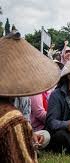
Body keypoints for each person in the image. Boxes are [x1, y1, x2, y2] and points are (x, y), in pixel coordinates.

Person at [0, 31, 60, 162]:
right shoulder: (11, 118)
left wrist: (30, 134)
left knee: (45, 136)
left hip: (28, 128)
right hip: (18, 129)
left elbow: (26, 121)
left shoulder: (25, 97)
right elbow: (37, 114)